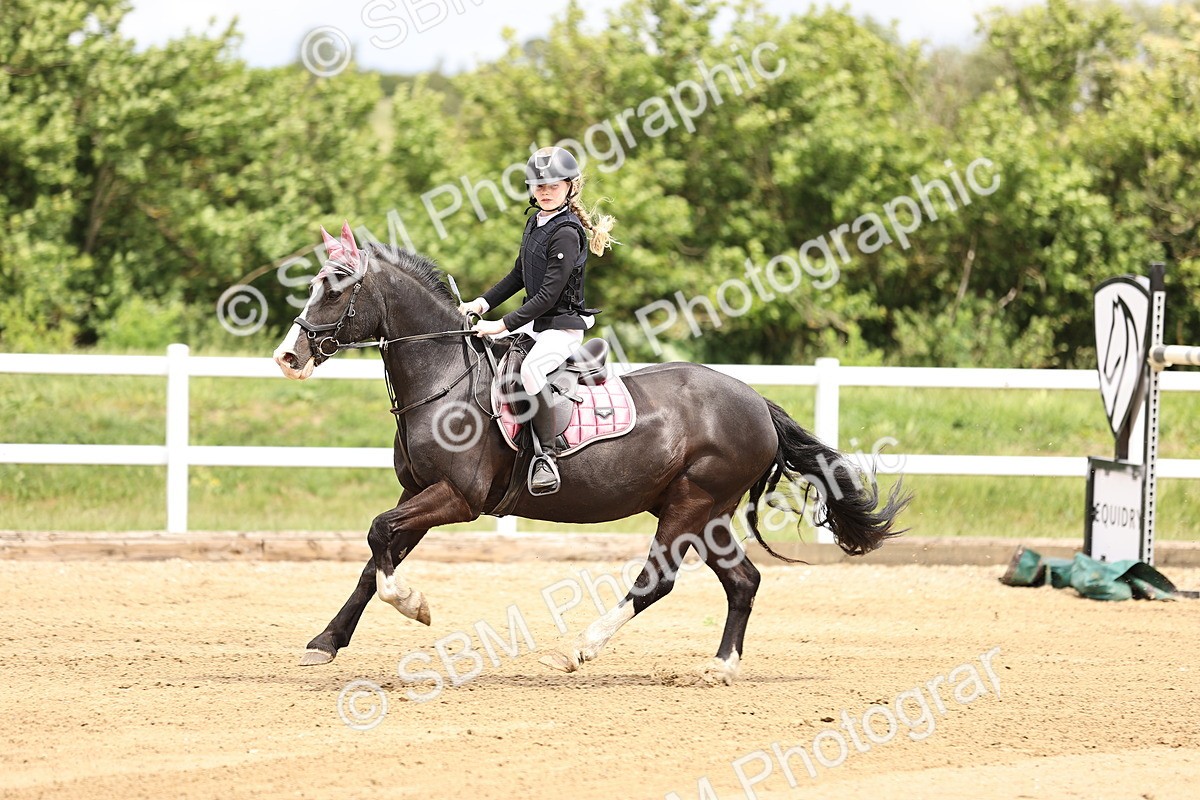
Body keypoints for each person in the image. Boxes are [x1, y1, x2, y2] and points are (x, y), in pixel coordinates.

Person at [459, 146, 616, 494]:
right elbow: (518, 275)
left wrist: (501, 324)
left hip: (561, 327)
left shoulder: (567, 232)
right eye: (539, 186)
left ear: (570, 188)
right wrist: (482, 304)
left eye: (553, 186)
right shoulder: (535, 221)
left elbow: (547, 295)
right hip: (537, 323)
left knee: (531, 371)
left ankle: (547, 457)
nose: (545, 192)